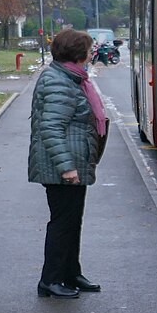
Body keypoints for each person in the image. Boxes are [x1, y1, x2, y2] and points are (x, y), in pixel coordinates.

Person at [28, 28, 106, 299]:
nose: (92, 52)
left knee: (73, 221)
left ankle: (70, 272)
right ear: (78, 53)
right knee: (62, 223)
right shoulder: (59, 82)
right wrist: (67, 168)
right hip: (61, 166)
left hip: (75, 161)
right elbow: (51, 128)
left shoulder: (71, 78)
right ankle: (50, 280)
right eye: (88, 48)